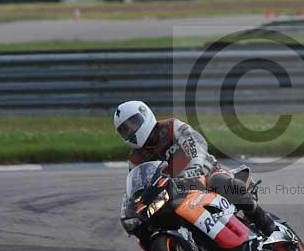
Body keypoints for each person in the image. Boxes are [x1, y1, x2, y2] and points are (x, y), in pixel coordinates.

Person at [113, 100, 276, 237]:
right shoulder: (135, 160)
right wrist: (130, 210)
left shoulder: (171, 127)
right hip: (174, 190)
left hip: (206, 173)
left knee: (221, 183)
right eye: (125, 130)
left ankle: (265, 223)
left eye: (133, 124)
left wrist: (195, 165)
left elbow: (195, 143)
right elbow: (136, 186)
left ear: (145, 115)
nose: (131, 131)